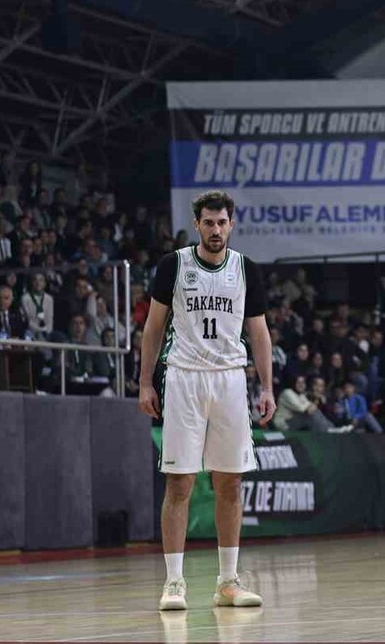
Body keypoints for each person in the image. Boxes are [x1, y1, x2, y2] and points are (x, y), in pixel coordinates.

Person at [137, 191, 275, 613]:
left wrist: (267, 386)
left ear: (232, 225)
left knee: (230, 483)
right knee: (179, 483)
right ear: (197, 224)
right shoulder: (173, 265)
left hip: (231, 381)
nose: (216, 230)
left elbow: (259, 332)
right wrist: (145, 382)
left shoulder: (245, 269)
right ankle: (174, 582)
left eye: (223, 223)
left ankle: (228, 581)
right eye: (209, 223)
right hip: (183, 379)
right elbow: (153, 327)